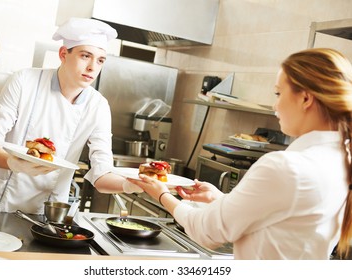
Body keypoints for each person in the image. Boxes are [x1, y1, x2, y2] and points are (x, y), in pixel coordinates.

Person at [128, 48, 352, 260]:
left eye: (278, 93)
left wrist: (161, 194)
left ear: (305, 98)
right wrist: (222, 199)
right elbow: (286, 217)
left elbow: (206, 231)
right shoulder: (340, 159)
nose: (275, 105)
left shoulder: (286, 166)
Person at [0, 18, 142, 213]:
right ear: (64, 54)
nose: (93, 67)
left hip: (43, 216)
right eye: (85, 56)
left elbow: (101, 174)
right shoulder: (24, 81)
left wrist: (130, 185)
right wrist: (13, 164)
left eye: (100, 60)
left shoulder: (98, 106)